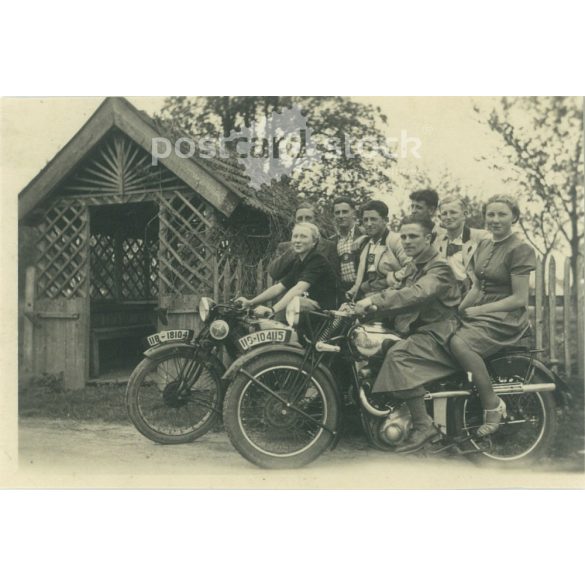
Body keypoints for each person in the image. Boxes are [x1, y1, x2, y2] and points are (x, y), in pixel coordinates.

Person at [355, 216, 461, 453]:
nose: (406, 241)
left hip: (440, 331)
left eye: (413, 236)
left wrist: (374, 300)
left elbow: (416, 294)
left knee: (398, 357)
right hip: (421, 329)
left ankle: (424, 426)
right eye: (403, 236)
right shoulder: (414, 266)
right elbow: (396, 293)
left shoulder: (439, 267)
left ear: (428, 238)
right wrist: (363, 309)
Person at [448, 195, 536, 437]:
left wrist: (479, 310)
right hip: (484, 310)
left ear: (514, 217)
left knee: (459, 343)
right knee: (444, 331)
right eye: (491, 214)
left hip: (506, 317)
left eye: (502, 214)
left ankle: (492, 404)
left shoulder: (520, 249)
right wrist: (458, 311)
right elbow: (477, 288)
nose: (495, 220)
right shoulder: (485, 245)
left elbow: (519, 299)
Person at [237, 222, 339, 318]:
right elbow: (279, 287)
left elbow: (299, 289)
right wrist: (251, 302)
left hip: (326, 314)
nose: (298, 240)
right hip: (309, 312)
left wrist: (272, 310)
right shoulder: (299, 262)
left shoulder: (317, 260)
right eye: (295, 236)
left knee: (296, 302)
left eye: (303, 236)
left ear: (314, 242)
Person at [347, 200, 409, 300]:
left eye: (373, 219)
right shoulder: (365, 243)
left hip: (392, 298)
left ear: (385, 220)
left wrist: (387, 280)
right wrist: (354, 291)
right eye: (365, 220)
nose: (369, 224)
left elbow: (411, 267)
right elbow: (362, 277)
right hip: (368, 299)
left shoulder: (396, 240)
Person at [268, 203, 340, 282]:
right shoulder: (285, 247)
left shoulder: (329, 246)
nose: (304, 222)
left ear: (315, 220)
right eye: (299, 218)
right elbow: (274, 273)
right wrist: (294, 248)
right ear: (295, 221)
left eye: (308, 218)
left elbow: (334, 279)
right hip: (289, 292)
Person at [436, 196, 490, 292]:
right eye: (444, 214)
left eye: (453, 212)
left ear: (465, 214)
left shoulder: (481, 237)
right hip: (445, 295)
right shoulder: (436, 241)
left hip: (474, 293)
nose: (448, 217)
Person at [329, 197, 367, 293]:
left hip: (364, 288)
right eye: (337, 213)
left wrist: (365, 237)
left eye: (345, 212)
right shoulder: (332, 241)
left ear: (353, 213)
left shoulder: (365, 234)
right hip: (343, 290)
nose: (341, 216)